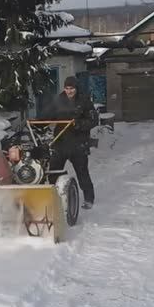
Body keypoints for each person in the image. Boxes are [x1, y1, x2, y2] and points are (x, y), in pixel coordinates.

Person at [40, 76, 96, 209]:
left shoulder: (84, 101)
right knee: (54, 171)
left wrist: (78, 124)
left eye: (71, 89)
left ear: (76, 88)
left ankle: (89, 198)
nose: (69, 91)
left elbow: (93, 120)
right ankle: (55, 198)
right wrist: (39, 121)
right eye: (66, 88)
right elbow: (48, 115)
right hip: (60, 141)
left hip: (78, 143)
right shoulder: (59, 100)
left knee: (82, 172)